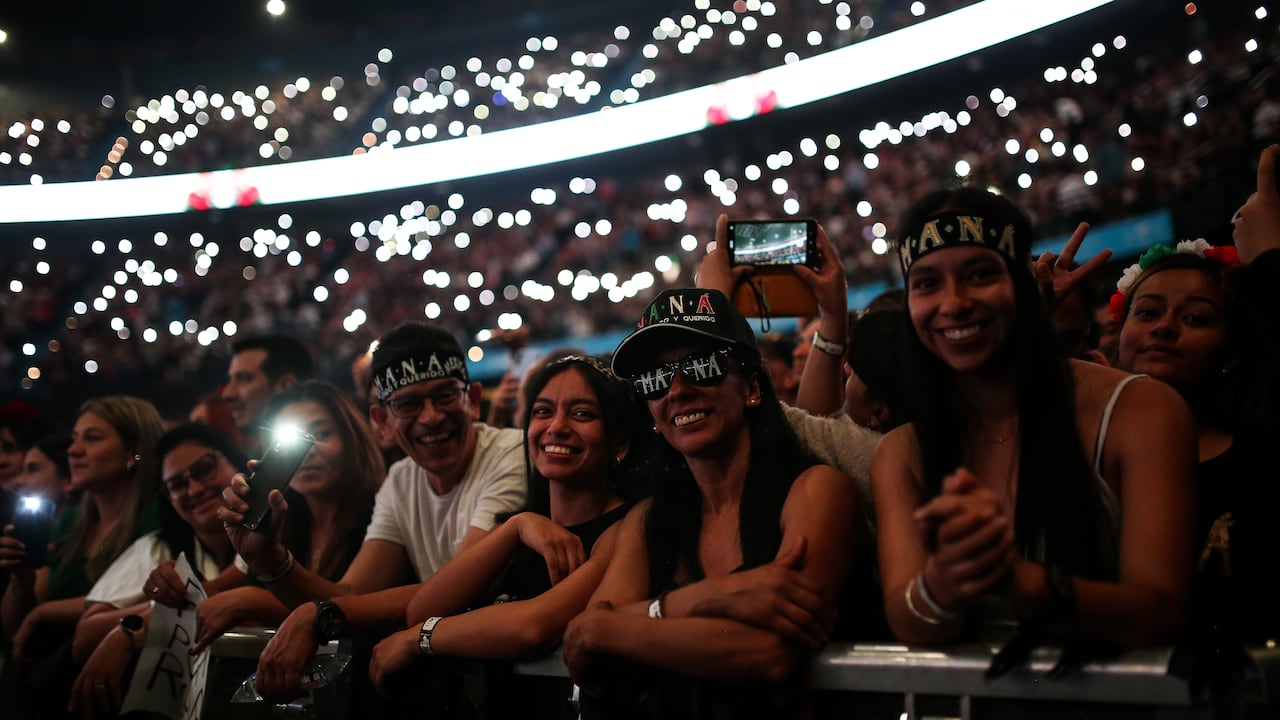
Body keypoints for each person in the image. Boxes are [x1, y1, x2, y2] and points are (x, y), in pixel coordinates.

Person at [871, 187, 1195, 658]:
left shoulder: (1140, 412)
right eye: (926, 283)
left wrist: (1015, 579)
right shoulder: (903, 452)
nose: (954, 303)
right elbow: (908, 620)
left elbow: (1163, 611)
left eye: (980, 274)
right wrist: (941, 583)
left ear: (1023, 285)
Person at [253, 355, 646, 711]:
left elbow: (532, 626)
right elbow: (424, 605)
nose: (556, 427)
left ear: (621, 443)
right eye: (543, 411)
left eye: (582, 414)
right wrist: (515, 527)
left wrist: (418, 639)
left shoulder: (628, 524)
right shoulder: (521, 526)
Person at [562, 288, 858, 718]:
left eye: (703, 367)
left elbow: (769, 652)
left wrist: (622, 625)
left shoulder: (817, 491)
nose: (677, 390)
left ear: (752, 388)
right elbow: (584, 644)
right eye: (655, 379)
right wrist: (706, 599)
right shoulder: (648, 522)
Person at [217, 322, 526, 610]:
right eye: (408, 405)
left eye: (445, 396)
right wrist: (270, 560)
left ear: (472, 401)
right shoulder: (401, 479)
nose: (431, 417)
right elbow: (353, 596)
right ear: (382, 422)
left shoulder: (511, 452)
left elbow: (456, 591)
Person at [1109, 145, 1280, 645]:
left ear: (1230, 351)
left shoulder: (1262, 455)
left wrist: (1271, 264)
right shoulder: (1081, 451)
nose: (1164, 328)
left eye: (1194, 318)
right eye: (1147, 312)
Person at [65, 423, 246, 717]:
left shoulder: (276, 522)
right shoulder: (158, 547)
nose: (195, 489)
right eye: (176, 485)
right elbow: (85, 635)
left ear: (236, 460)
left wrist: (132, 629)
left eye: (205, 468)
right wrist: (149, 613)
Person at [0, 396, 164, 718]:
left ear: (135, 451)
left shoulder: (157, 519)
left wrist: (44, 613)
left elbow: (141, 599)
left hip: (107, 690)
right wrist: (21, 580)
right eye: (74, 438)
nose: (73, 450)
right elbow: (14, 626)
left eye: (92, 438)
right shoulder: (69, 523)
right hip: (42, 683)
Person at [191, 380, 385, 651]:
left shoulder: (382, 511)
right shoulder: (281, 519)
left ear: (352, 438)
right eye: (295, 441)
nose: (308, 451)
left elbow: (355, 606)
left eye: (321, 434)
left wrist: (254, 600)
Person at [221, 334, 313, 449]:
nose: (227, 393)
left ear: (286, 385)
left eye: (243, 378)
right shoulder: (248, 462)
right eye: (230, 379)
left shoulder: (319, 458)